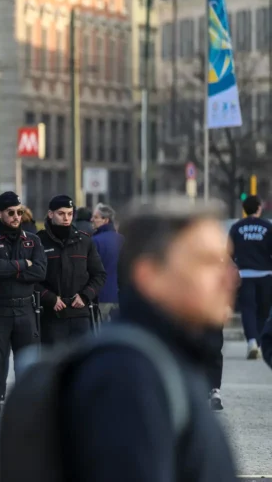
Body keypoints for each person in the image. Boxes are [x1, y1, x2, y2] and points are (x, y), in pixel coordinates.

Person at [53, 196, 238, 481]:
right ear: (150, 274)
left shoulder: (171, 356)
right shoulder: (129, 378)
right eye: (207, 262)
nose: (229, 278)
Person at [0, 191, 45, 442]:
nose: (17, 217)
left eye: (19, 212)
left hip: (25, 309)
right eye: (11, 212)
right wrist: (23, 265)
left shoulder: (32, 240)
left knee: (27, 369)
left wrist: (12, 268)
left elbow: (40, 272)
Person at [37, 196, 106, 345]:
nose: (66, 218)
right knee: (54, 358)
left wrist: (85, 296)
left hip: (80, 315)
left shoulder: (84, 241)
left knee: (82, 358)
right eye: (61, 214)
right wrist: (49, 298)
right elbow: (31, 279)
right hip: (52, 315)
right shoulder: (39, 241)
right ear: (50, 214)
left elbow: (99, 275)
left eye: (69, 214)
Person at [229, 195, 272, 360]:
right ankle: (258, 342)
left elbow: (229, 252)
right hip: (265, 275)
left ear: (244, 209)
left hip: (244, 275)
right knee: (263, 311)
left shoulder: (236, 227)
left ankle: (252, 342)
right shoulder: (267, 227)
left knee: (248, 310)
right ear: (259, 208)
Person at [92, 204, 122, 322]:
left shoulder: (94, 241)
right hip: (120, 296)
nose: (92, 220)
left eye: (96, 217)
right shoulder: (123, 240)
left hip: (101, 296)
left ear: (106, 220)